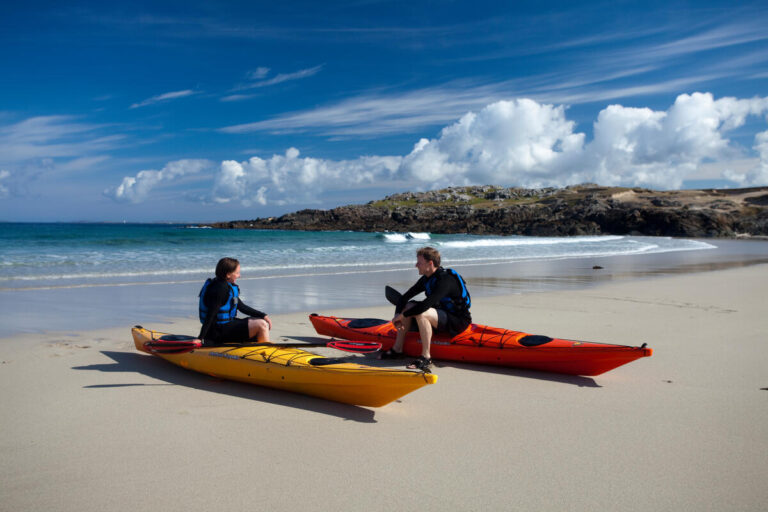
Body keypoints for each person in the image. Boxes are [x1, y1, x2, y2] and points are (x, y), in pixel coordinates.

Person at [382, 247, 471, 370]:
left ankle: (426, 357)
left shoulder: (446, 280)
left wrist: (403, 316)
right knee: (409, 305)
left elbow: (425, 305)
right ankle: (398, 349)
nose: (416, 265)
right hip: (440, 316)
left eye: (419, 262)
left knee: (422, 313)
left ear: (430, 263)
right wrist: (397, 315)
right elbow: (404, 298)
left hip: (457, 320)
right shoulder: (427, 279)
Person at [198, 257, 272, 345]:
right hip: (217, 332)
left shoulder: (223, 285)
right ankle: (266, 354)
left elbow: (241, 307)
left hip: (223, 327)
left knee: (259, 320)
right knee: (261, 325)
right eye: (237, 273)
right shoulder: (220, 289)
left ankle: (259, 348)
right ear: (228, 274)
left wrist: (263, 315)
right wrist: (200, 338)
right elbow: (211, 315)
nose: (239, 275)